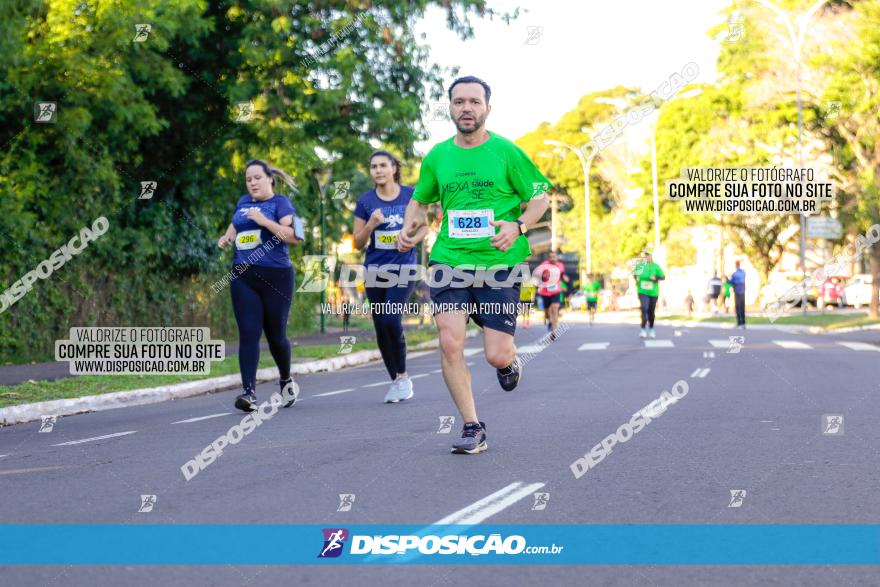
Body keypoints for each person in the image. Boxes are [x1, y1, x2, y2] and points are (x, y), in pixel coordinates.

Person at [397, 75, 551, 455]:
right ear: (449, 107)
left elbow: (540, 197)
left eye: (474, 102)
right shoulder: (437, 156)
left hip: (500, 263)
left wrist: (518, 226)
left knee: (496, 353)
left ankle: (509, 362)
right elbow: (421, 200)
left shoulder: (506, 152)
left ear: (487, 108)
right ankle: (472, 426)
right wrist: (407, 227)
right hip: (449, 260)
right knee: (450, 342)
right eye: (459, 101)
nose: (466, 108)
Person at [217, 159, 303, 412]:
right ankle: (248, 393)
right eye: (248, 179)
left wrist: (264, 220)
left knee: (276, 336)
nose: (252, 182)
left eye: (257, 178)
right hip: (243, 276)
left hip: (276, 276)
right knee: (249, 332)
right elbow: (236, 224)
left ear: (270, 179)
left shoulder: (281, 204)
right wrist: (227, 236)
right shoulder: (243, 203)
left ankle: (286, 380)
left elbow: (294, 237)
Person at [354, 151, 429, 403]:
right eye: (373, 166)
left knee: (390, 318)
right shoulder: (365, 202)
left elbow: (425, 226)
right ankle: (396, 380)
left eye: (383, 165)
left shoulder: (410, 195)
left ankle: (404, 375)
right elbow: (357, 242)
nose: (378, 170)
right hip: (375, 269)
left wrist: (411, 241)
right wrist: (370, 225)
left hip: (405, 267)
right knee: (380, 326)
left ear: (394, 168)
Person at [535, 251, 567, 339]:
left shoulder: (560, 265)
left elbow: (561, 274)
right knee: (547, 312)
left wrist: (564, 278)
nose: (553, 259)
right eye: (551, 257)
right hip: (545, 291)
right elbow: (538, 275)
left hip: (556, 291)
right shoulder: (544, 265)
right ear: (549, 258)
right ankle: (549, 320)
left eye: (554, 257)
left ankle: (554, 331)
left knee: (555, 308)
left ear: (557, 258)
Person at [634, 251, 665, 339]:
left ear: (651, 256)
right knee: (644, 308)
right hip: (642, 291)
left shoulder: (656, 266)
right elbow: (634, 274)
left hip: (653, 292)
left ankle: (651, 329)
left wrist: (655, 278)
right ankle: (643, 329)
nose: (646, 257)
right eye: (644, 256)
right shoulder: (640, 265)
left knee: (651, 312)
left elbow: (663, 277)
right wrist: (636, 280)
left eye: (647, 256)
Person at [728, 260, 747, 328]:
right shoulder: (743, 273)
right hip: (743, 291)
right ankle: (743, 322)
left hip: (737, 291)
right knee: (742, 307)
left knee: (738, 307)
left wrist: (727, 278)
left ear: (736, 265)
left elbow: (731, 282)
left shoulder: (735, 274)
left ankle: (739, 322)